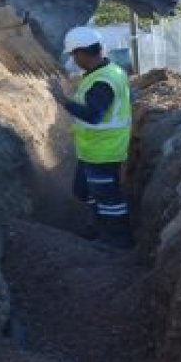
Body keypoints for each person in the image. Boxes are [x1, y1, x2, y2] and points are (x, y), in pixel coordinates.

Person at [50, 26, 134, 249]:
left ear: (81, 53)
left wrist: (63, 100)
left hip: (103, 152)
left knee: (109, 200)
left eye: (73, 55)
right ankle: (98, 226)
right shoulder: (106, 71)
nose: (73, 60)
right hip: (93, 150)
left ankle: (118, 241)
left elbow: (93, 116)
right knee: (83, 190)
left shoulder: (102, 81)